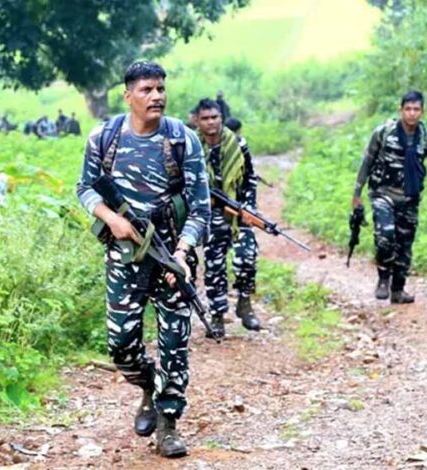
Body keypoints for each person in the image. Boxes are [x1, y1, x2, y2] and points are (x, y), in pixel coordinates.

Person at [76, 61, 209, 458]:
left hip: (171, 257)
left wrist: (182, 254)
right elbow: (85, 188)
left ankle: (168, 424)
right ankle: (149, 385)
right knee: (121, 345)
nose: (157, 96)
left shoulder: (182, 140)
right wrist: (112, 219)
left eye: (161, 89)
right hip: (125, 257)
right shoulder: (105, 137)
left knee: (174, 344)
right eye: (147, 90)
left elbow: (200, 208)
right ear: (128, 95)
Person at [353, 90, 427, 304]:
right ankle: (383, 278)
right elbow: (367, 161)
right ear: (401, 110)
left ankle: (398, 290)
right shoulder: (383, 133)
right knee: (385, 235)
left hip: (409, 198)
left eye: (416, 109)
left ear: (422, 112)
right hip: (382, 193)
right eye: (408, 109)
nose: (412, 113)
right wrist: (357, 193)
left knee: (405, 245)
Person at [195, 98, 260, 338]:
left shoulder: (238, 144)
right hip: (210, 214)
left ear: (221, 118)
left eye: (215, 117)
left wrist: (249, 208)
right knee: (214, 266)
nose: (211, 122)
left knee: (247, 257)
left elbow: (250, 178)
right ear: (197, 121)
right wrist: (204, 202)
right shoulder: (193, 148)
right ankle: (217, 316)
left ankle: (245, 303)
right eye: (205, 118)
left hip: (238, 209)